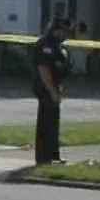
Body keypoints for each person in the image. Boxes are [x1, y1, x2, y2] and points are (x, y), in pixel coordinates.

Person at [31, 17, 72, 165]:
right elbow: (43, 69)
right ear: (56, 30)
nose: (66, 35)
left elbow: (61, 69)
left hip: (55, 87)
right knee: (45, 123)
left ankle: (53, 156)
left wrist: (59, 88)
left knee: (54, 123)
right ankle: (43, 158)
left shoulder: (58, 46)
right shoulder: (45, 44)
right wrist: (52, 91)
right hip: (45, 88)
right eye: (64, 31)